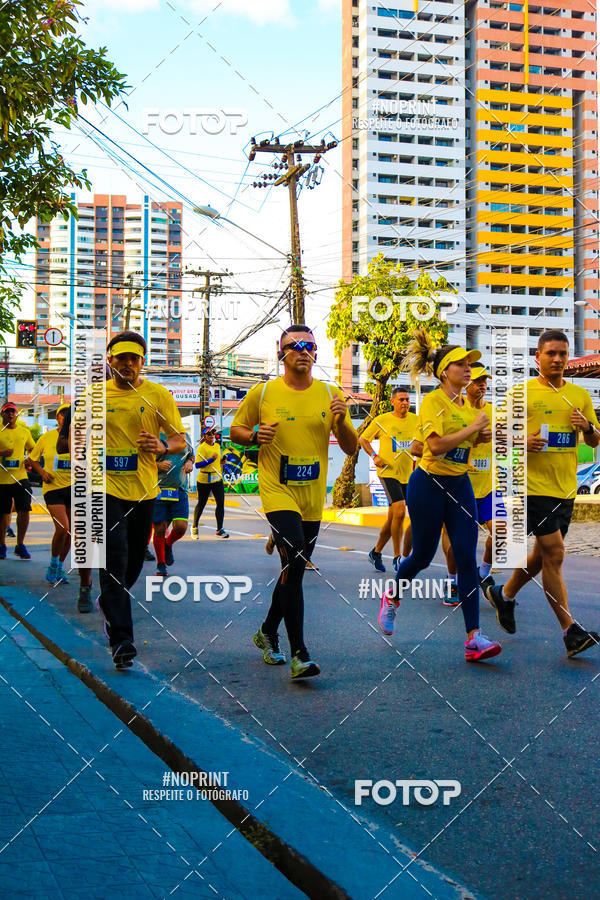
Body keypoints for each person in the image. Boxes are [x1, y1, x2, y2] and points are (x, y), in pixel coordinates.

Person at [231, 324, 357, 678]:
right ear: (281, 353)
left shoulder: (330, 393)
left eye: (310, 346)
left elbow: (350, 447)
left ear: (316, 353)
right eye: (295, 345)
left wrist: (342, 421)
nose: (303, 350)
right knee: (297, 557)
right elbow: (236, 432)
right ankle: (299, 653)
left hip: (312, 495)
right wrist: (255, 435)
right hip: (277, 489)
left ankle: (267, 630)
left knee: (293, 569)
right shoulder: (264, 392)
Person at [378, 330, 502, 663]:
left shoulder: (465, 405)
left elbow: (467, 443)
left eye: (470, 364)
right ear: (445, 371)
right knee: (421, 554)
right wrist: (474, 428)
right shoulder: (434, 401)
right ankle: (392, 595)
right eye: (461, 364)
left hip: (460, 485)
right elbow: (435, 446)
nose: (468, 369)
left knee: (465, 557)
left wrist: (485, 434)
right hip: (428, 483)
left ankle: (473, 637)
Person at [74, 330, 186, 669]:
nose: (126, 364)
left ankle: (110, 603)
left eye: (132, 358)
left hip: (144, 490)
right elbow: (76, 443)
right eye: (119, 358)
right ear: (109, 361)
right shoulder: (94, 395)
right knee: (114, 559)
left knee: (135, 561)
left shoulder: (158, 395)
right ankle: (122, 640)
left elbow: (180, 440)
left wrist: (162, 446)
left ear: (142, 362)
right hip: (103, 490)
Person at [486, 330, 600, 658]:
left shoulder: (579, 396)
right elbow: (496, 434)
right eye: (551, 353)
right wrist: (522, 442)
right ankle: (570, 631)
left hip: (565, 488)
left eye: (562, 354)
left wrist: (588, 428)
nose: (558, 359)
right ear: (538, 357)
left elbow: (594, 441)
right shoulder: (521, 394)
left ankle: (504, 596)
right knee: (556, 553)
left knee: (541, 557)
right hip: (531, 488)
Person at [360, 386, 419, 574]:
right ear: (392, 401)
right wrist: (374, 456)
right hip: (388, 472)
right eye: (401, 400)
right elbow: (363, 439)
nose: (405, 403)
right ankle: (397, 556)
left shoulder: (416, 420)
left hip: (409, 474)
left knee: (394, 516)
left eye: (407, 400)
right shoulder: (382, 420)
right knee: (400, 511)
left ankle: (376, 552)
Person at [27, 405, 74, 590]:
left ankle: (60, 567)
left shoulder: (79, 437)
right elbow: (32, 459)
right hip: (53, 488)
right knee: (63, 528)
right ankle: (53, 563)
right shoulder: (47, 437)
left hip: (74, 487)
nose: (66, 417)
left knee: (70, 532)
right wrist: (43, 473)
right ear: (57, 418)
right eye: (63, 414)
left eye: (69, 415)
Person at [153, 433, 194, 576]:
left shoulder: (184, 435)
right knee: (159, 528)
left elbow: (191, 454)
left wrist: (189, 462)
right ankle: (161, 564)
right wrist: (158, 464)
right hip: (158, 489)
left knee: (181, 527)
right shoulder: (155, 434)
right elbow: (142, 460)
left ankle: (168, 543)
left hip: (179, 489)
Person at [0, 402, 35, 560]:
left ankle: (20, 544)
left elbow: (33, 449)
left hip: (20, 477)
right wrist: (2, 452)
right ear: (2, 415)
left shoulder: (25, 432)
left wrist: (30, 459)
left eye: (13, 412)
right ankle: (2, 545)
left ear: (17, 415)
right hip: (1, 479)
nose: (10, 415)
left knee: (24, 509)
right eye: (7, 412)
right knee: (3, 512)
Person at [191, 427, 229, 539]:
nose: (212, 435)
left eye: (213, 433)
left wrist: (222, 461)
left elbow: (218, 461)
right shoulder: (202, 448)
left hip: (217, 479)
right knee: (201, 504)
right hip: (204, 480)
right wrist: (211, 460)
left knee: (220, 504)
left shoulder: (217, 446)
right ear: (204, 436)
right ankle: (194, 528)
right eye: (209, 433)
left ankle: (219, 530)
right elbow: (197, 465)